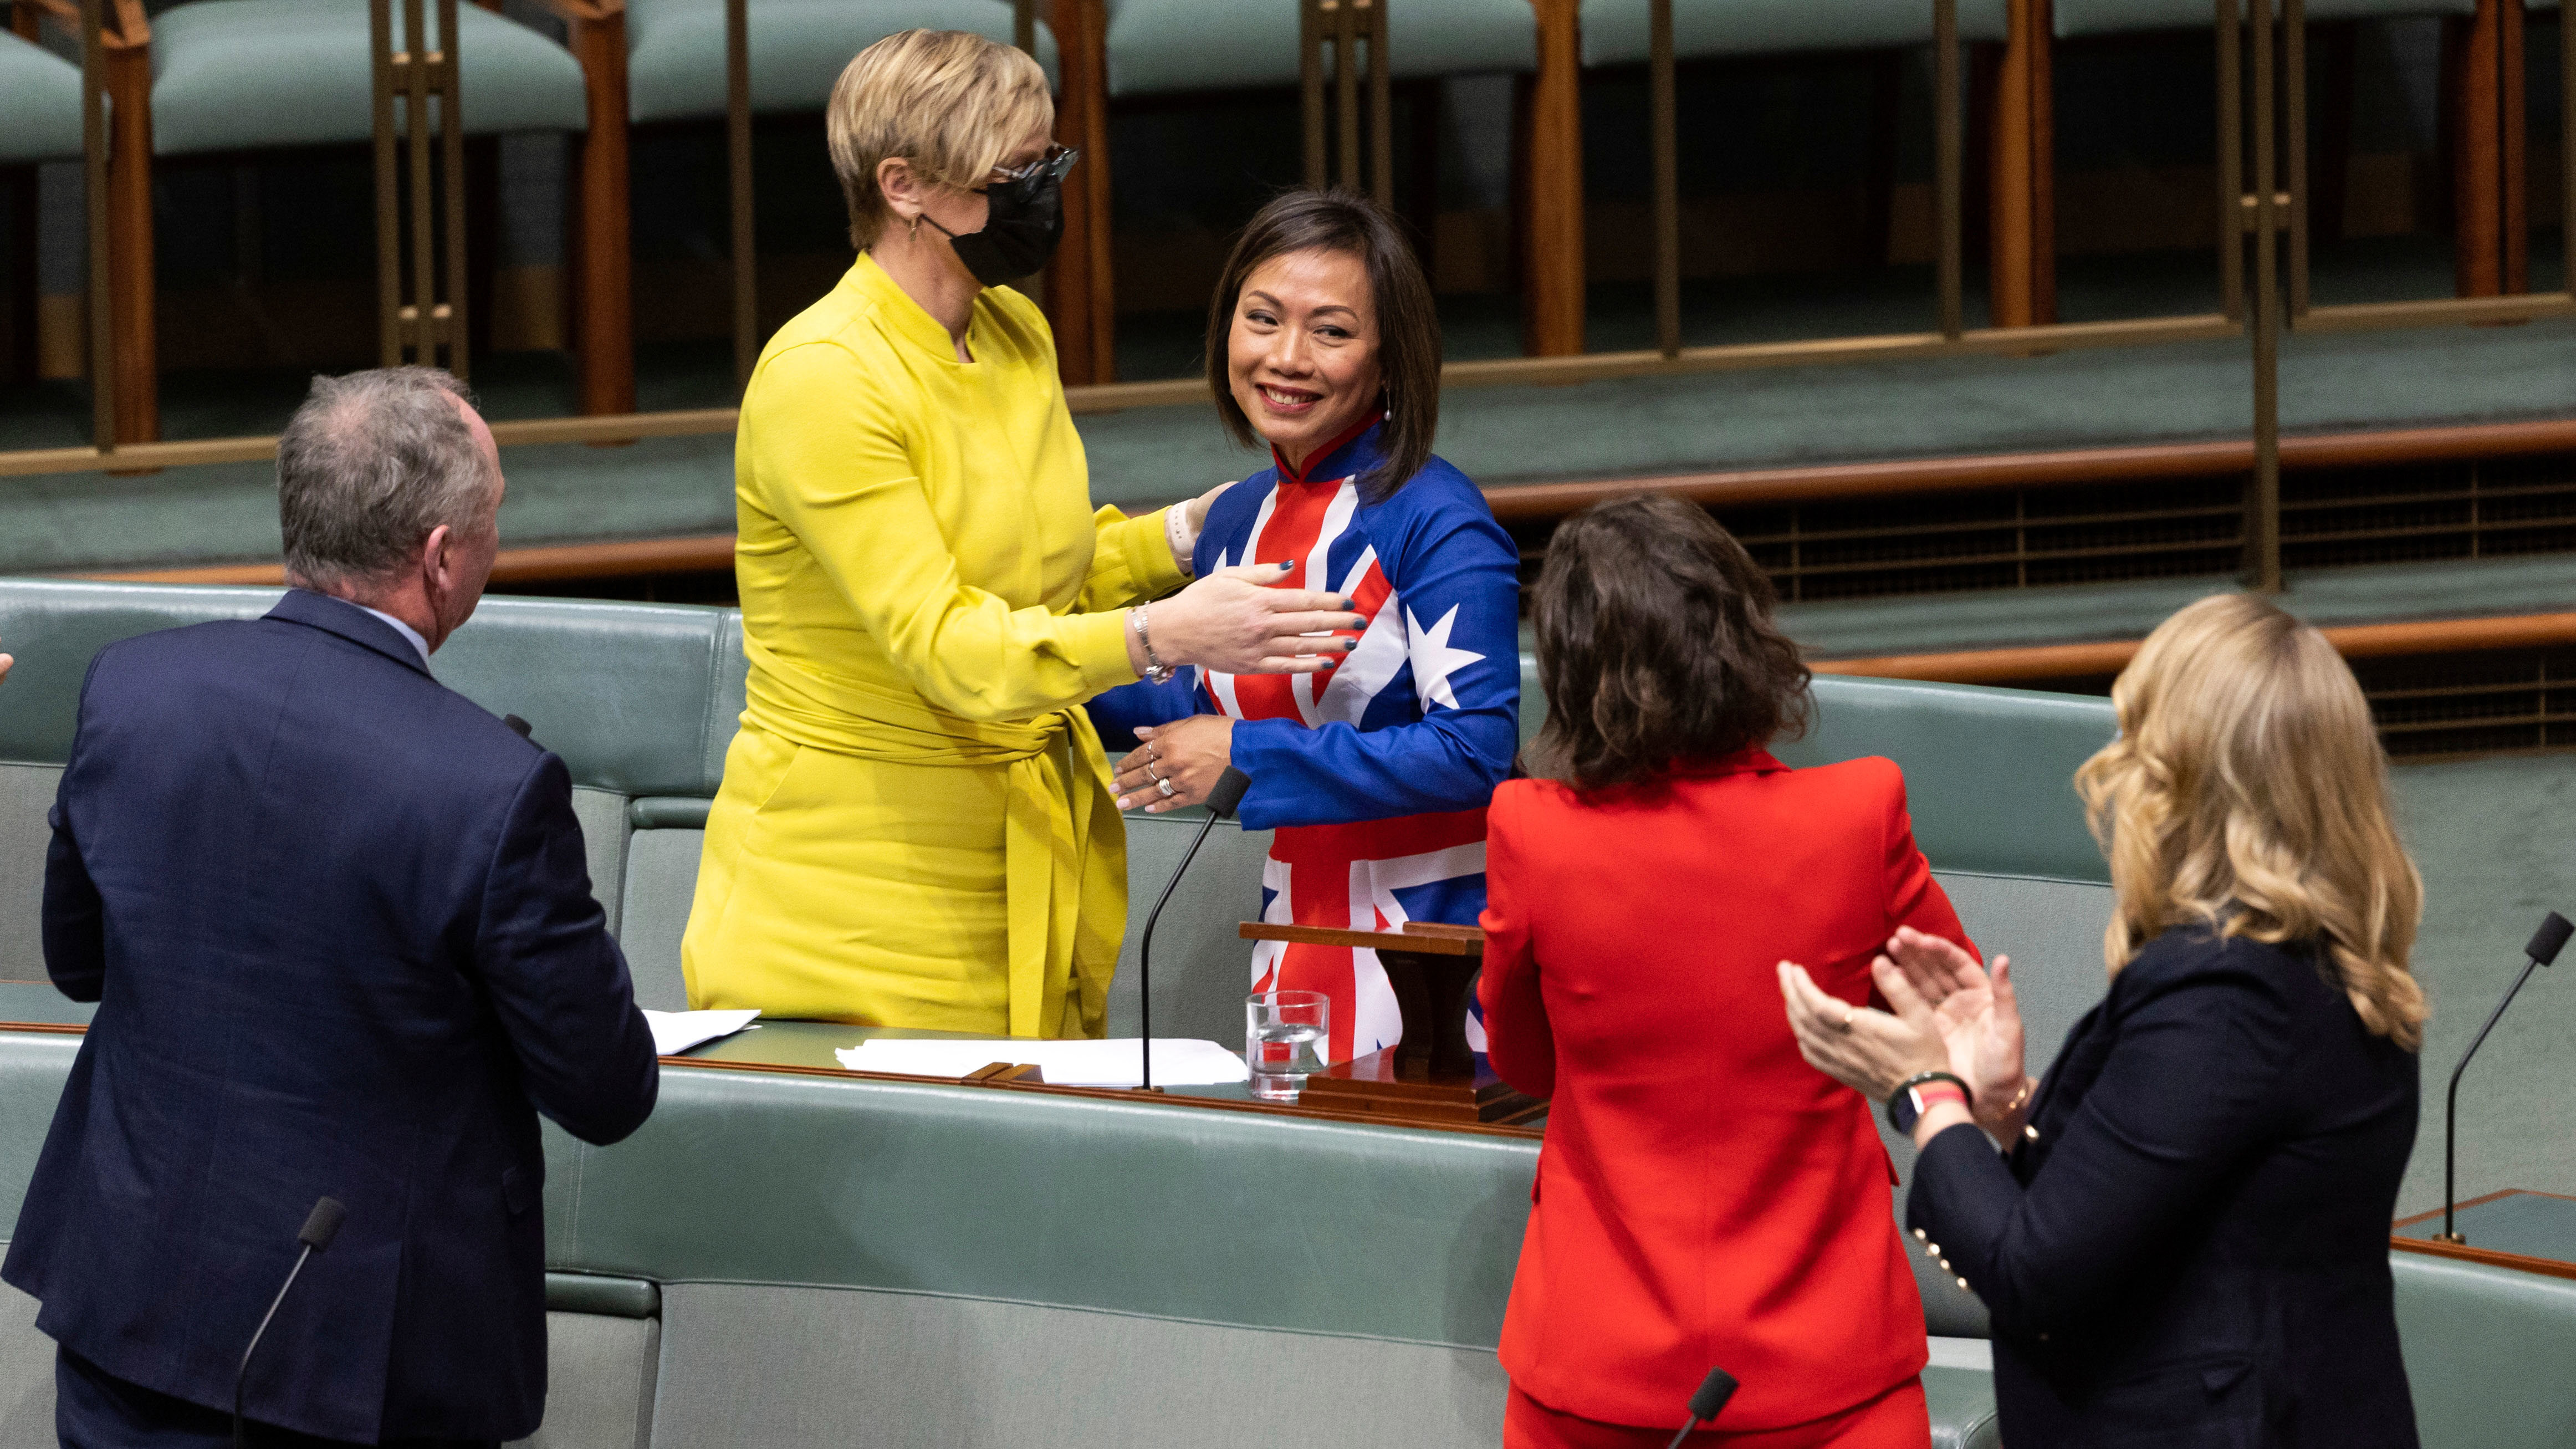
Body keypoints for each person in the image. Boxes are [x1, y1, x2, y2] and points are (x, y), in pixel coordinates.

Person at [7, 366, 660, 1447]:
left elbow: (81, 960)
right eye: (496, 515)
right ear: (443, 555)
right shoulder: (490, 789)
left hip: (133, 1314)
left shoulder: (131, 689)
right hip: (365, 1366)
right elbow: (606, 1087)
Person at [683, 30, 1363, 1035]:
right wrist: (1163, 635)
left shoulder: (1013, 329)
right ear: (904, 185)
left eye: (1051, 162)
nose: (1042, 191)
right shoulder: (823, 378)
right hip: (850, 908)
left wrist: (1190, 531)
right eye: (1014, 173)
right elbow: (950, 647)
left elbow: (1054, 575)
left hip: (1020, 875)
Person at [1780, 591, 2427, 1449]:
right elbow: (2173, 1192)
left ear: (2181, 780)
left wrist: (1923, 1093)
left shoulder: (2227, 996)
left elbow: (2032, 1272)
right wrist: (2002, 1104)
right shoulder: (2318, 961)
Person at [1476, 493, 1964, 1449]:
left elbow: (1525, 1067)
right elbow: (1949, 1033)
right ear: (1744, 633)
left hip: (1595, 1377)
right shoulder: (1860, 813)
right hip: (1832, 1369)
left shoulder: (1531, 830)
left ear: (1575, 668)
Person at [1088, 189, 1519, 1062]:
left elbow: (1478, 747)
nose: (1286, 358)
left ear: (1390, 357)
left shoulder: (1438, 518)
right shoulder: (1236, 517)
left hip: (1434, 965)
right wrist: (1027, 682)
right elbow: (1177, 694)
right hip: (1294, 951)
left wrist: (1244, 756)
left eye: (1330, 330)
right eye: (1262, 319)